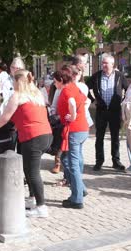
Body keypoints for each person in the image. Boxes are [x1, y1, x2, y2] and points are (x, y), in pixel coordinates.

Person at [0, 69, 52, 218]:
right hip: (45, 135)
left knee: (33, 172)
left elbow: (5, 118)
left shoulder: (17, 96)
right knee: (28, 169)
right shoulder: (36, 94)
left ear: (17, 81)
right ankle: (32, 199)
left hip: (33, 137)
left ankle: (41, 207)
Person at [54, 66, 89, 209]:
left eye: (56, 81)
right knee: (68, 159)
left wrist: (73, 116)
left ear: (61, 80)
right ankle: (81, 189)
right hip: (82, 128)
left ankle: (77, 199)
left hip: (74, 129)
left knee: (72, 162)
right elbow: (85, 101)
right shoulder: (74, 87)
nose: (55, 84)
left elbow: (73, 103)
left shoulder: (67, 90)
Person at [87, 53, 128, 171]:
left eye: (106, 63)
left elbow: (128, 89)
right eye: (102, 63)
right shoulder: (96, 76)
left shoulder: (120, 76)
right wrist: (93, 100)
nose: (103, 65)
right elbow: (85, 88)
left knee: (115, 137)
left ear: (112, 64)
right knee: (99, 137)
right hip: (101, 110)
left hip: (115, 111)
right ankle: (99, 161)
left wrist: (122, 101)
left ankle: (116, 161)